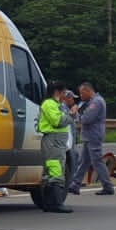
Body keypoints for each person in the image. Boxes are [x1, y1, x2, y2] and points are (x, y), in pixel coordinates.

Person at [69, 81, 114, 195]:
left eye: (82, 93)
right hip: (89, 135)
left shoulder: (96, 102)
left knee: (97, 161)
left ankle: (107, 185)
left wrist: (75, 114)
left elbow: (86, 119)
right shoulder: (91, 102)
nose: (81, 96)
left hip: (93, 135)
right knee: (84, 161)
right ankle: (75, 184)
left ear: (87, 91)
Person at [37, 80, 75, 213]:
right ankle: (56, 203)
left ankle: (48, 204)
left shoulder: (55, 104)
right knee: (56, 170)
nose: (65, 95)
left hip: (56, 141)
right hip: (54, 141)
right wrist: (71, 114)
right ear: (57, 92)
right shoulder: (50, 104)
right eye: (63, 92)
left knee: (52, 171)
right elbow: (57, 121)